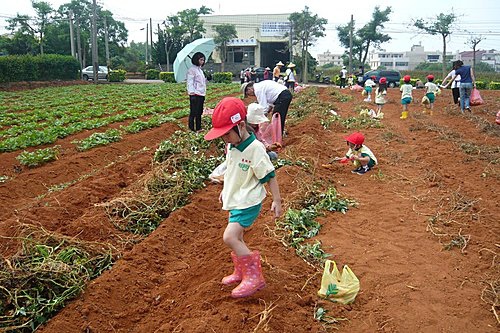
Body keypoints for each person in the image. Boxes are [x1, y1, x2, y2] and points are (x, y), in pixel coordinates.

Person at [204, 97, 282, 298]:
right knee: (237, 237)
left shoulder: (255, 149)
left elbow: (270, 176)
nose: (225, 139)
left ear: (240, 125)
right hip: (237, 198)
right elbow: (232, 170)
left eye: (226, 134)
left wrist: (277, 201)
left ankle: (254, 277)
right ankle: (241, 271)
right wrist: (226, 189)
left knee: (229, 237)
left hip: (249, 201)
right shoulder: (232, 146)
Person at [186, 52, 207, 132]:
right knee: (193, 112)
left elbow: (201, 82)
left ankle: (198, 128)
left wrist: (206, 78)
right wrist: (192, 93)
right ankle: (191, 129)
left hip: (201, 94)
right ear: (196, 60)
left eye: (203, 60)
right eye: (201, 60)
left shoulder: (200, 70)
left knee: (199, 112)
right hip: (195, 94)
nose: (202, 61)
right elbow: (190, 82)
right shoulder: (192, 70)